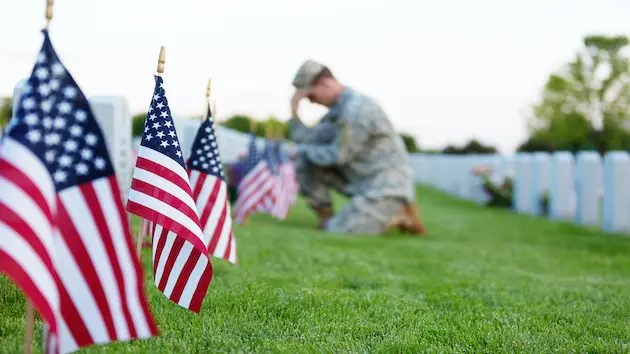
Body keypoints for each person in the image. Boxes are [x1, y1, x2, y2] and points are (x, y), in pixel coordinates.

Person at [288, 59, 426, 235]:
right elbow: (307, 142)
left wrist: (299, 151)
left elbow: (338, 155)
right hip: (359, 180)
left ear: (325, 84)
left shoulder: (357, 110)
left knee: (339, 231)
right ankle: (326, 218)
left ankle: (400, 213)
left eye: (311, 96)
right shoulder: (336, 111)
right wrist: (294, 113)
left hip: (385, 186)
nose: (312, 102)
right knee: (302, 160)